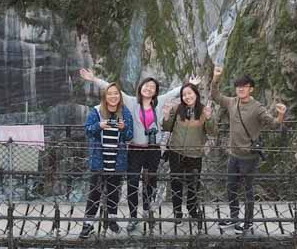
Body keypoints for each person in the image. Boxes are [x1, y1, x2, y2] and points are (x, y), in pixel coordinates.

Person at [79, 68, 198, 231]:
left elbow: (174, 92)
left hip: (153, 149)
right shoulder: (131, 101)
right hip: (135, 149)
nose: (148, 89)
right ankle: (133, 216)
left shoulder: (160, 101)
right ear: (141, 87)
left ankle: (148, 213)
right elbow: (113, 91)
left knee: (150, 183)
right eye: (146, 86)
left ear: (156, 92)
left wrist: (190, 84)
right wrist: (94, 79)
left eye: (152, 87)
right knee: (133, 183)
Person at [210, 66, 288, 233]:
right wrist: (216, 78)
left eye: (244, 86)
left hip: (249, 157)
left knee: (248, 191)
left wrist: (280, 115)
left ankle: (248, 221)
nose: (241, 89)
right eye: (238, 86)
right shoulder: (232, 102)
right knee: (231, 188)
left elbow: (274, 124)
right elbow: (215, 96)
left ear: (251, 89)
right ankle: (234, 217)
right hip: (233, 155)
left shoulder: (257, 107)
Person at [81, 83, 134, 238]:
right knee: (95, 193)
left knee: (113, 192)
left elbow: (129, 136)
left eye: (116, 94)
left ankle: (112, 220)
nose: (113, 96)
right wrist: (100, 125)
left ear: (120, 96)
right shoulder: (96, 111)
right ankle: (88, 224)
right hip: (99, 160)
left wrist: (123, 128)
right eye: (110, 94)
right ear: (105, 96)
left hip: (117, 160)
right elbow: (87, 130)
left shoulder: (125, 112)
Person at [161, 82, 216, 227]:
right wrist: (166, 116)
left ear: (196, 94)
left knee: (193, 184)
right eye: (184, 94)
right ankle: (177, 212)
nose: (187, 97)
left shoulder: (204, 111)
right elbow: (166, 127)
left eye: (190, 93)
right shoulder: (177, 109)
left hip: (194, 154)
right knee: (176, 183)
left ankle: (192, 210)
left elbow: (213, 132)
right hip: (176, 151)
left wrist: (209, 118)